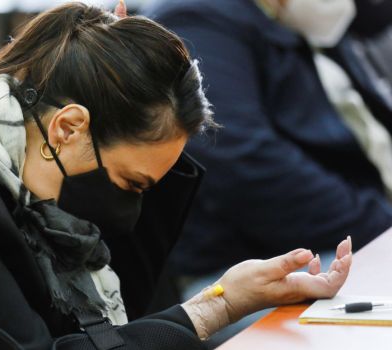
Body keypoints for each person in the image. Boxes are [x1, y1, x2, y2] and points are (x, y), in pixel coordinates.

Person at [0, 2, 353, 349]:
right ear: (68, 126)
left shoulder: (10, 166)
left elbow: (103, 325)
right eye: (132, 185)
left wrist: (225, 298)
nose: (127, 212)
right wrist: (216, 307)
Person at [143, 0, 392, 279]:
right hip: (255, 266)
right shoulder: (199, 21)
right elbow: (238, 158)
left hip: (349, 234)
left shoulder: (302, 24)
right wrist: (377, 222)